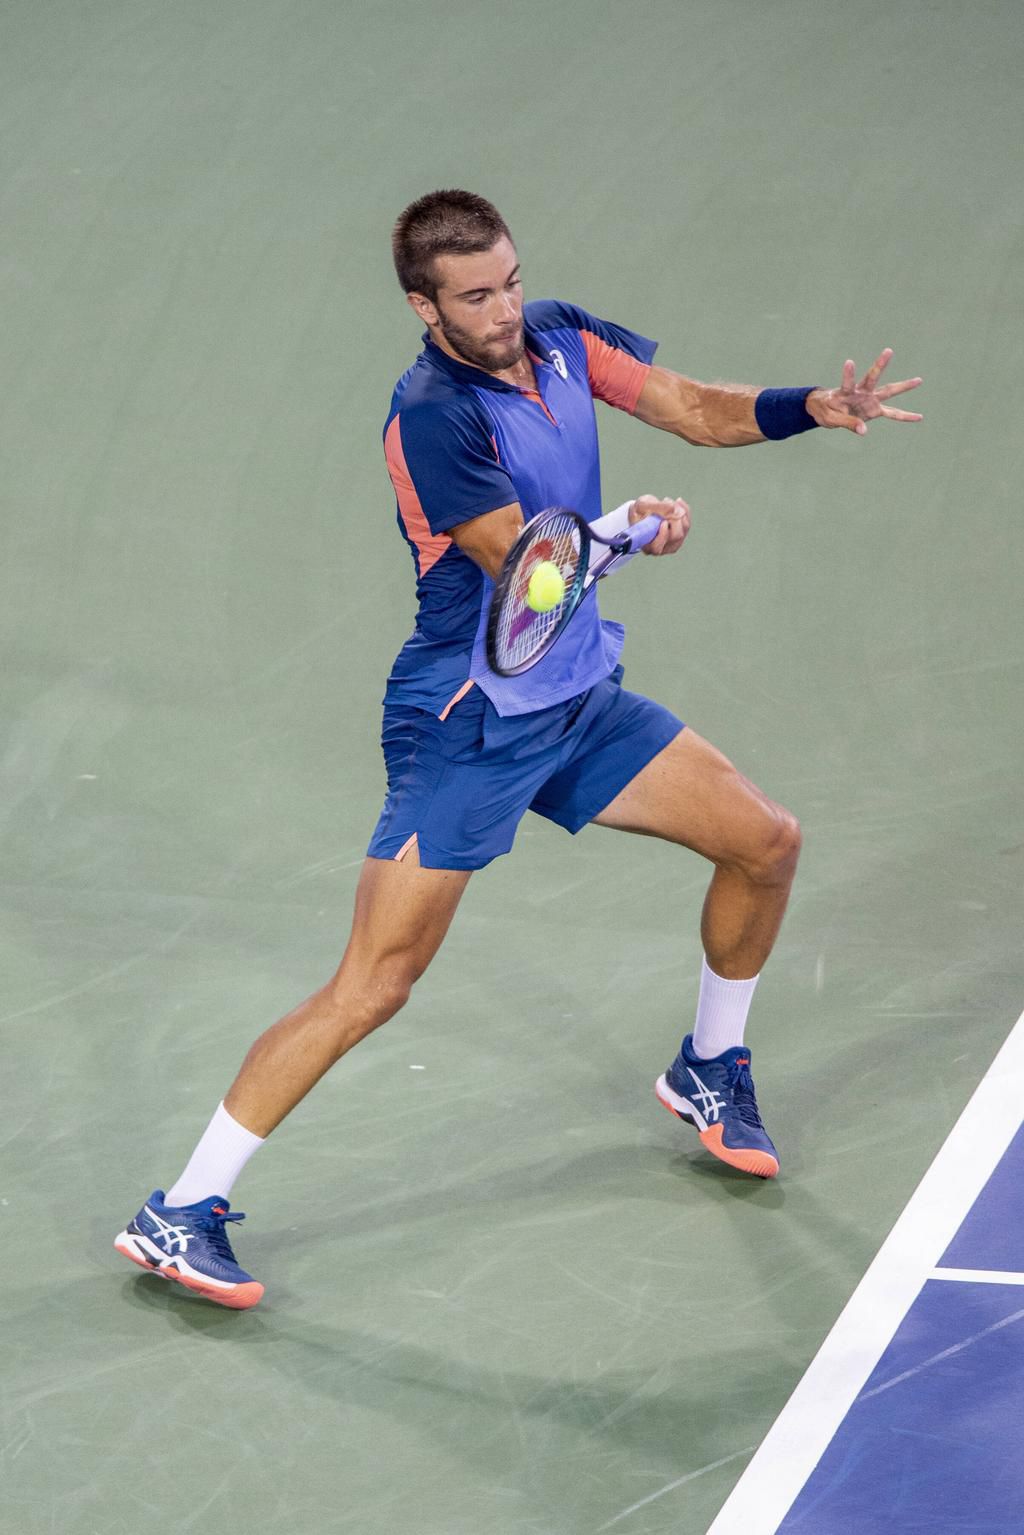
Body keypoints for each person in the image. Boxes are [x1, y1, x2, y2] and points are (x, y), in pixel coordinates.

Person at [115, 189, 922, 1309]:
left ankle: (706, 1069)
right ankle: (179, 1210)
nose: (503, 311)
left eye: (508, 282)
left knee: (765, 842)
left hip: (577, 697)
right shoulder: (432, 414)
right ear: (423, 303)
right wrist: (632, 529)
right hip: (469, 723)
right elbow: (525, 569)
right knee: (374, 984)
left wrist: (809, 406)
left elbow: (689, 406)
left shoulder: (556, 335)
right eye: (474, 296)